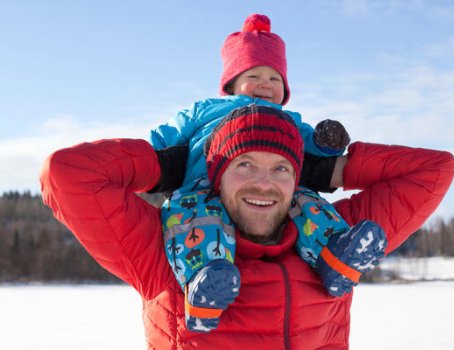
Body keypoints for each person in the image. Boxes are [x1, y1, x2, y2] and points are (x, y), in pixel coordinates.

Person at [40, 105, 454, 349]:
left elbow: (434, 170)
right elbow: (66, 174)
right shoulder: (163, 248)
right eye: (244, 166)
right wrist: (163, 165)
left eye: (280, 169)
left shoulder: (336, 237)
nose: (264, 182)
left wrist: (332, 169)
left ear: (297, 180)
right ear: (216, 177)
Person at [147, 13, 372, 332]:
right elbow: (171, 133)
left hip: (271, 190)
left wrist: (328, 140)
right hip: (202, 188)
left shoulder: (289, 119)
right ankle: (203, 283)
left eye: (275, 78)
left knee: (307, 202)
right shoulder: (207, 110)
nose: (267, 83)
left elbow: (312, 143)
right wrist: (153, 152)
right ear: (231, 83)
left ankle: (333, 256)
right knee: (193, 220)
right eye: (255, 74)